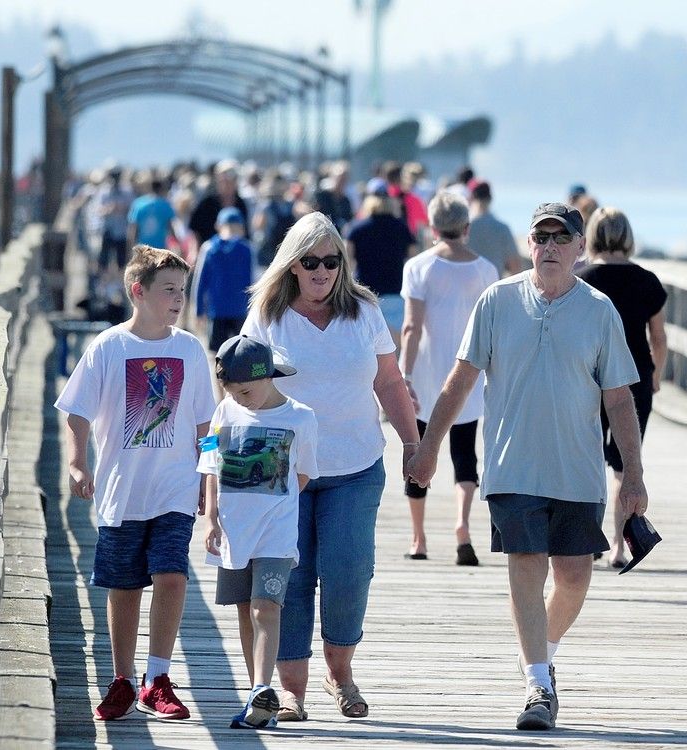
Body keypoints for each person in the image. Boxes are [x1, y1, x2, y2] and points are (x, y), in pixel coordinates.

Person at [408, 202, 647, 731]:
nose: (551, 247)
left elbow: (620, 399)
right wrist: (427, 447)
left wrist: (633, 474)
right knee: (526, 563)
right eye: (542, 237)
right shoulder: (497, 301)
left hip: (578, 469)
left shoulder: (599, 309)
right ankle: (538, 682)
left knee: (574, 576)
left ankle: (542, 650)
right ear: (530, 244)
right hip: (512, 465)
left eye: (562, 238)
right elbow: (460, 379)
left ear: (580, 247)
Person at [241, 212, 419, 722]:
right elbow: (244, 391)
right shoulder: (268, 317)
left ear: (343, 262)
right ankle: (291, 689)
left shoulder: (363, 310)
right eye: (310, 261)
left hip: (355, 462)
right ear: (292, 265)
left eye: (330, 261)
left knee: (349, 571)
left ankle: (340, 673)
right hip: (281, 468)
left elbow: (389, 381)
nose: (321, 271)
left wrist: (413, 442)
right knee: (289, 578)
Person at [54, 245, 216, 721]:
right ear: (137, 292)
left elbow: (206, 425)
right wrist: (78, 463)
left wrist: (208, 474)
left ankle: (157, 677)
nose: (178, 300)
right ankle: (122, 679)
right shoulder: (108, 347)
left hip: (176, 488)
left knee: (172, 575)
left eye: (182, 292)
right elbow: (76, 413)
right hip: (122, 490)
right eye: (169, 290)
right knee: (123, 587)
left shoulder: (188, 348)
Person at [199, 335, 319, 729]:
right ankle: (258, 696)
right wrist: (212, 516)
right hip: (233, 532)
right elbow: (212, 464)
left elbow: (302, 473)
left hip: (277, 534)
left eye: (245, 391)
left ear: (269, 377)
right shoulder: (224, 411)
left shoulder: (301, 418)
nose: (239, 399)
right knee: (243, 613)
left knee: (265, 607)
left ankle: (261, 687)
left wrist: (274, 502)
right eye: (232, 392)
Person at [399, 192, 498, 563]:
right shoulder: (487, 271)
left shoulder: (419, 267)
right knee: (465, 454)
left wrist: (404, 375)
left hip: (426, 376)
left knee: (418, 451)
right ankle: (462, 525)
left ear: (432, 227)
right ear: (467, 228)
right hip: (468, 377)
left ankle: (419, 538)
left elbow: (411, 327)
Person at [577, 207, 667, 568]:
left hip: (589, 377)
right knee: (624, 464)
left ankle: (587, 539)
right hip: (634, 380)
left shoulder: (581, 278)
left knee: (587, 458)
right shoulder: (647, 280)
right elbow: (658, 337)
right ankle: (618, 544)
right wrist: (657, 374)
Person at [344, 193, 417, 349]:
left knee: (368, 347)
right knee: (395, 348)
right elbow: (413, 258)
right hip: (395, 291)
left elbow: (347, 261)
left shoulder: (356, 228)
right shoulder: (401, 227)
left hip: (365, 293)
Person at [193, 207, 256, 353]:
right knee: (242, 354)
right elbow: (255, 281)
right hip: (242, 310)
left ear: (218, 225)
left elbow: (200, 282)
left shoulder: (209, 248)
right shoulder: (247, 248)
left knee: (218, 355)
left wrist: (199, 310)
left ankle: (219, 377)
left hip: (216, 311)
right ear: (241, 227)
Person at [466, 179, 523, 278]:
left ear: (470, 198)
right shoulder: (502, 228)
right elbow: (515, 267)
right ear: (490, 198)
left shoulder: (463, 229)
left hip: (467, 288)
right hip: (494, 287)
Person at [189, 160, 250, 248]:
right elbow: (195, 229)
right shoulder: (207, 202)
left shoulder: (241, 204)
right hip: (210, 252)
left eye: (230, 180)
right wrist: (194, 250)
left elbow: (245, 232)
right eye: (223, 180)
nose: (226, 184)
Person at [127, 175, 179, 251]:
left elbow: (133, 229)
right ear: (162, 188)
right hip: (160, 249)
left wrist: (130, 247)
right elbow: (170, 227)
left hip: (142, 249)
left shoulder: (138, 203)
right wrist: (178, 243)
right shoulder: (165, 204)